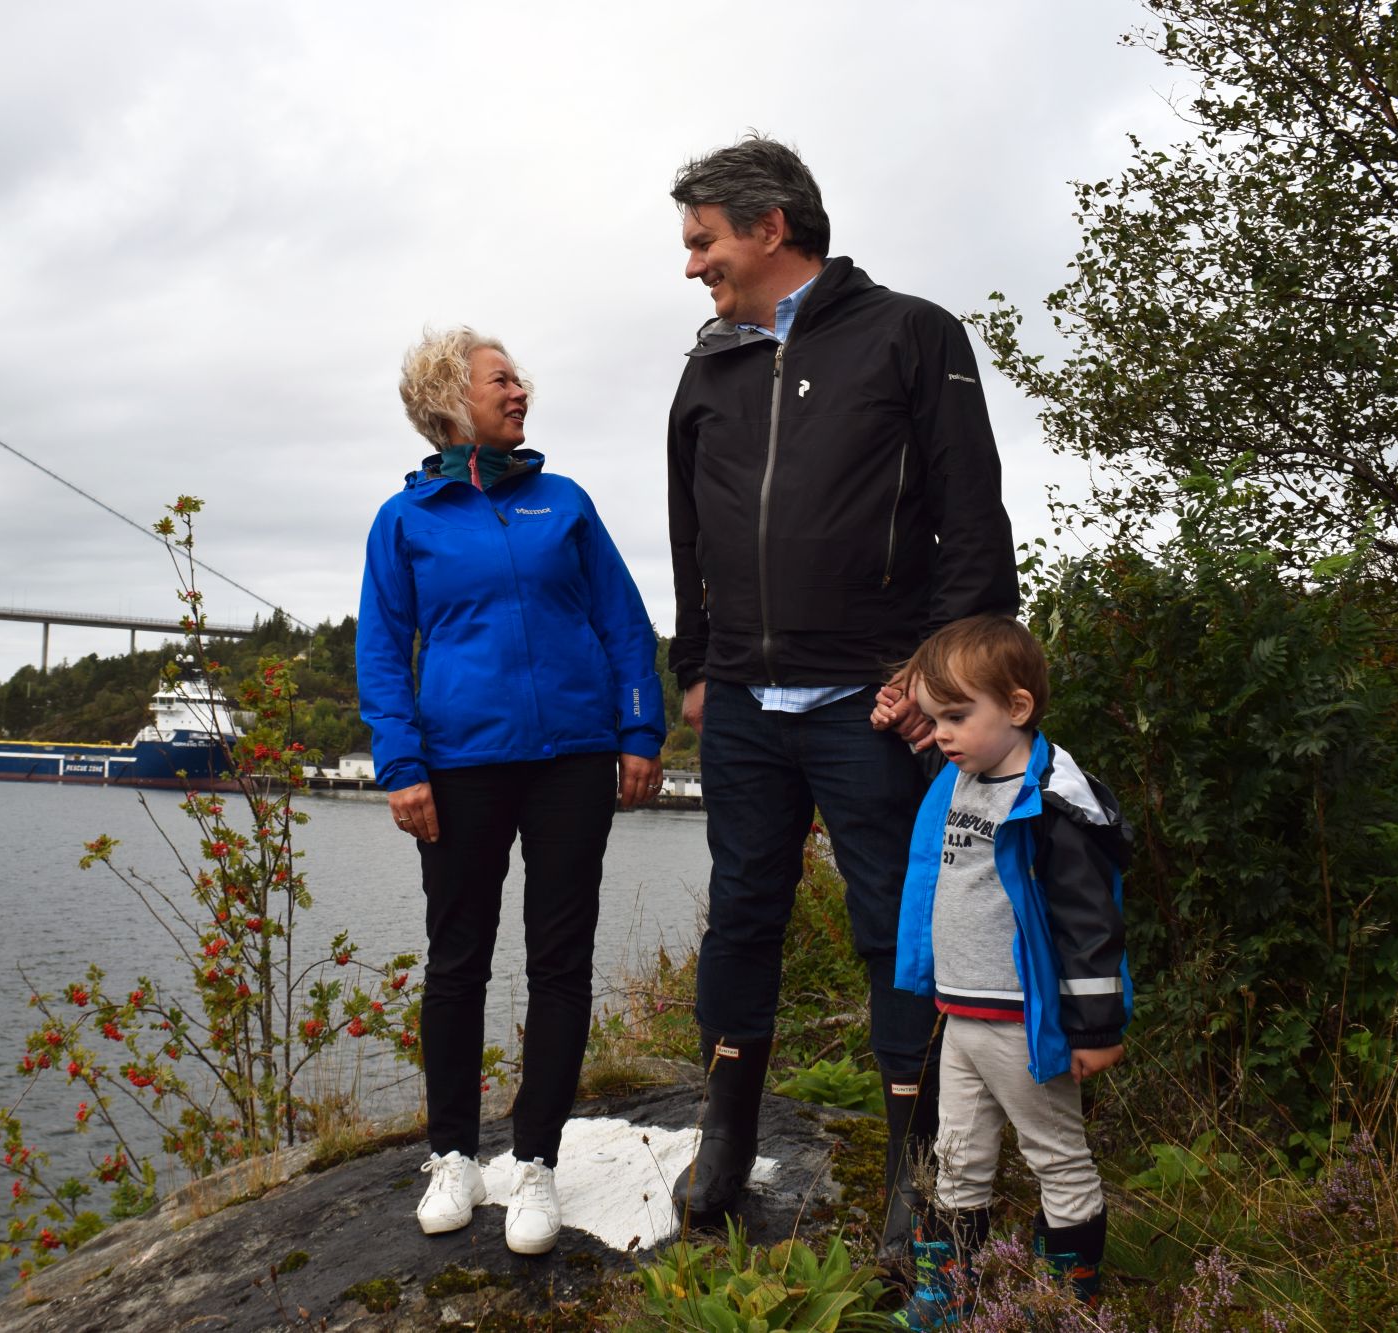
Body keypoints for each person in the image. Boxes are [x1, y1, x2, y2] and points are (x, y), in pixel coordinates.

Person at [661, 134, 1019, 1252]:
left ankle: (918, 1170)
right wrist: (695, 668)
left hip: (874, 701)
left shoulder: (910, 334)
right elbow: (686, 531)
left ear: (770, 227)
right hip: (742, 703)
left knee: (894, 928)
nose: (691, 264)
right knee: (741, 918)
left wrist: (936, 676)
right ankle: (724, 1138)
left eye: (703, 241)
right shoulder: (707, 368)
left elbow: (972, 518)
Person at [357, 327, 666, 1255]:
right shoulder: (404, 520)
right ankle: (453, 1153)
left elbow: (624, 622)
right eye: (501, 379)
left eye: (518, 378)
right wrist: (401, 764)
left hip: (573, 758)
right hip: (460, 765)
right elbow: (383, 649)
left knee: (560, 959)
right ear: (450, 399)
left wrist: (639, 730)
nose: (520, 389)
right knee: (457, 961)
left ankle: (535, 1161)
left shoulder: (563, 501)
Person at [888, 615, 1130, 1327]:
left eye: (956, 717)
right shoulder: (961, 776)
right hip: (962, 1017)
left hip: (1026, 1020)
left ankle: (1065, 1303)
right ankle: (947, 1295)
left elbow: (1090, 925)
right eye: (934, 719)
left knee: (1057, 1157)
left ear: (1018, 707)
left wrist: (1097, 1028)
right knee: (957, 1156)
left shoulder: (1050, 801)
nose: (942, 734)